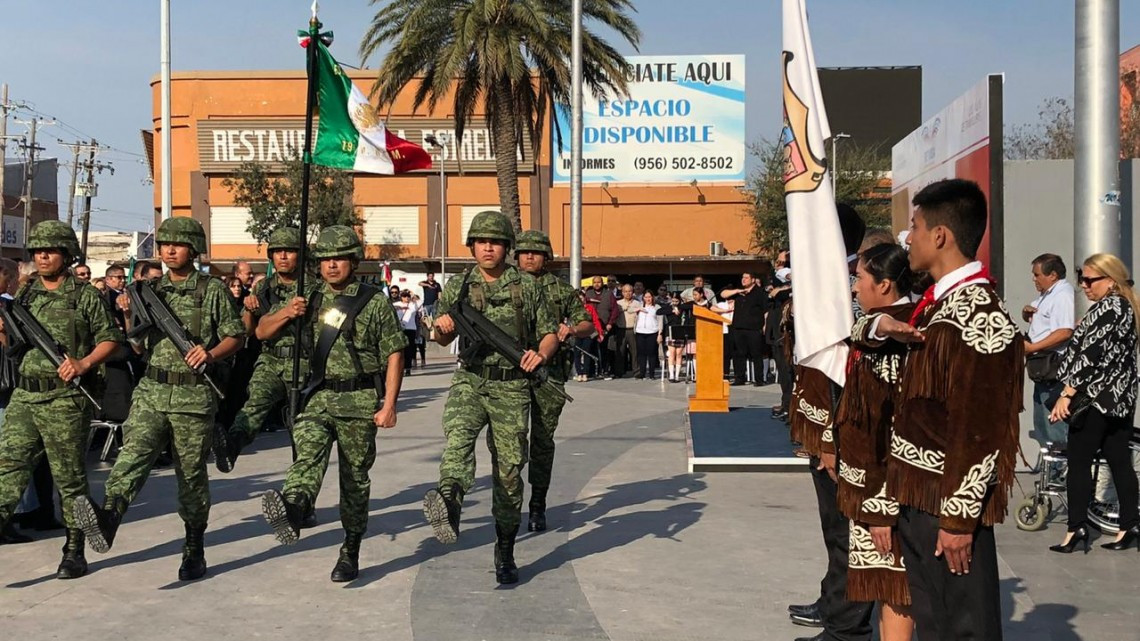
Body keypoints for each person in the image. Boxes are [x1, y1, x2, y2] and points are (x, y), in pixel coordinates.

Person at [871, 179, 1023, 640]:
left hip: (947, 506)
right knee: (935, 624)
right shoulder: (938, 308)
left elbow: (981, 427)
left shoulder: (981, 315)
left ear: (941, 235)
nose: (907, 238)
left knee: (963, 628)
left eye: (914, 227)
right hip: (918, 499)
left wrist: (959, 518)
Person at [73, 216, 245, 582]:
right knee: (134, 454)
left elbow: (236, 335)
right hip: (151, 390)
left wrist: (210, 354)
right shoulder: (149, 291)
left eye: (178, 244)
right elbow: (137, 345)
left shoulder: (210, 290)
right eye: (165, 244)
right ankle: (110, 515)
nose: (170, 249)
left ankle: (194, 547)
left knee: (191, 475)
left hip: (193, 396)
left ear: (193, 249)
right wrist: (127, 318)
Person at [261, 226, 406, 582]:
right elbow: (261, 331)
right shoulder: (304, 296)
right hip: (318, 395)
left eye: (339, 258)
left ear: (353, 262)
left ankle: (350, 548)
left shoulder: (373, 300)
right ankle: (295, 505)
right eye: (326, 259)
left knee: (354, 479)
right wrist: (286, 314)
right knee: (307, 453)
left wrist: (389, 404)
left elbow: (394, 353)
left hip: (359, 400)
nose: (332, 265)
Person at [422, 210, 559, 585]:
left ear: (506, 248)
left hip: (512, 386)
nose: (487, 247)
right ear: (471, 246)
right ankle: (449, 499)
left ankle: (505, 547)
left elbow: (549, 332)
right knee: (458, 438)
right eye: (481, 241)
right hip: (471, 379)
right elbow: (440, 335)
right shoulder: (459, 284)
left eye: (494, 242)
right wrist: (442, 328)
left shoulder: (527, 287)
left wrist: (541, 354)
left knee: (510, 472)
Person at [0, 222, 123, 578]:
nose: (42, 256)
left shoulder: (84, 295)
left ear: (67, 255)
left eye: (50, 251)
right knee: (8, 469)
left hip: (65, 399)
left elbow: (110, 339)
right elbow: (14, 349)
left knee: (69, 479)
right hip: (25, 395)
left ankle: (74, 549)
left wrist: (83, 362)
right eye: (37, 251)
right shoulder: (24, 295)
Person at [835, 242, 916, 641]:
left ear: (884, 285)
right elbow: (863, 329)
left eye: (860, 278)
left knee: (895, 590)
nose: (855, 287)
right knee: (884, 590)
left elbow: (894, 425)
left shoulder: (903, 331)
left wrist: (882, 508)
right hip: (868, 489)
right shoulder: (880, 324)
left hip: (884, 492)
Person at [1048, 253, 1140, 553]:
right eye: (1081, 279)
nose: (1084, 285)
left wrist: (1067, 393)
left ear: (1110, 280)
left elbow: (1091, 356)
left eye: (1090, 280)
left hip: (1095, 400)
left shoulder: (1109, 308)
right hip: (1120, 400)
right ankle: (1128, 527)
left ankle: (1075, 530)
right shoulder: (1124, 306)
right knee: (1119, 463)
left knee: (1078, 463)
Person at [214, 227, 314, 475]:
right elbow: (250, 332)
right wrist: (248, 308)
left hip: (305, 362)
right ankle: (231, 444)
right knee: (255, 402)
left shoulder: (315, 288)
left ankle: (300, 492)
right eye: (277, 252)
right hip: (271, 360)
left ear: (299, 256)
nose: (283, 256)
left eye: (289, 251)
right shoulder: (263, 288)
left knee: (301, 428)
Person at [513, 230, 592, 532]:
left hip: (550, 377)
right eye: (524, 251)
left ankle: (537, 504)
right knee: (512, 440)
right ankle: (509, 502)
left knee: (543, 441)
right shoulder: (505, 287)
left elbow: (587, 323)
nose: (529, 256)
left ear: (546, 256)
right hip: (512, 375)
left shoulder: (561, 290)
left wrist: (570, 329)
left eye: (536, 252)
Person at [1023, 254, 1076, 450]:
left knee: (1054, 426)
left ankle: (1059, 476)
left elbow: (1064, 331)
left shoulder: (1063, 295)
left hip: (1054, 367)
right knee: (1042, 426)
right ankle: (1052, 474)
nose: (1034, 279)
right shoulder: (1047, 294)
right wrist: (1026, 312)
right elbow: (1037, 313)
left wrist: (1032, 347)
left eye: (1037, 275)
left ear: (1052, 275)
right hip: (1041, 369)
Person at [720, 271, 768, 387]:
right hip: (737, 327)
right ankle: (739, 378)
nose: (743, 280)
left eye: (746, 278)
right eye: (742, 277)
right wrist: (737, 291)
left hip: (753, 328)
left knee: (756, 354)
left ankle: (759, 379)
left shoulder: (760, 292)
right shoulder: (739, 292)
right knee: (738, 354)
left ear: (753, 280)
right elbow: (723, 294)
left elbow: (766, 310)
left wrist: (764, 325)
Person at [586, 276, 619, 379]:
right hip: (591, 327)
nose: (597, 284)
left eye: (599, 282)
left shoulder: (608, 294)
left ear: (602, 283)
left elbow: (615, 310)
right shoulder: (588, 294)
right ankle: (590, 371)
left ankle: (605, 370)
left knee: (606, 350)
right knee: (590, 349)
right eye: (594, 282)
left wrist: (610, 323)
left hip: (605, 327)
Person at [613, 284, 642, 378]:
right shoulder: (618, 303)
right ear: (622, 292)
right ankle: (619, 372)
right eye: (625, 291)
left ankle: (637, 372)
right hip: (621, 329)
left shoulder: (637, 303)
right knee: (620, 351)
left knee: (635, 352)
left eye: (629, 291)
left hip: (632, 330)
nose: (628, 293)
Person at [634, 291, 662, 379]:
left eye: (649, 297)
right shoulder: (639, 306)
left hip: (652, 332)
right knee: (641, 354)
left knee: (652, 354)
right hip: (640, 332)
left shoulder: (657, 307)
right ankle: (642, 372)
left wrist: (659, 333)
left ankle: (651, 373)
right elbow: (630, 310)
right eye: (646, 297)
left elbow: (660, 321)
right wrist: (637, 310)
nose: (648, 299)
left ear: (652, 297)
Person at [395, 290, 419, 376]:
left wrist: (413, 294)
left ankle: (408, 368)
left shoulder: (412, 304)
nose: (406, 298)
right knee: (401, 350)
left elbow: (420, 302)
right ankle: (400, 368)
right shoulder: (396, 304)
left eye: (408, 296)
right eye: (404, 296)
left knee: (409, 350)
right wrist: (398, 308)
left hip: (411, 328)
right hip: (400, 329)